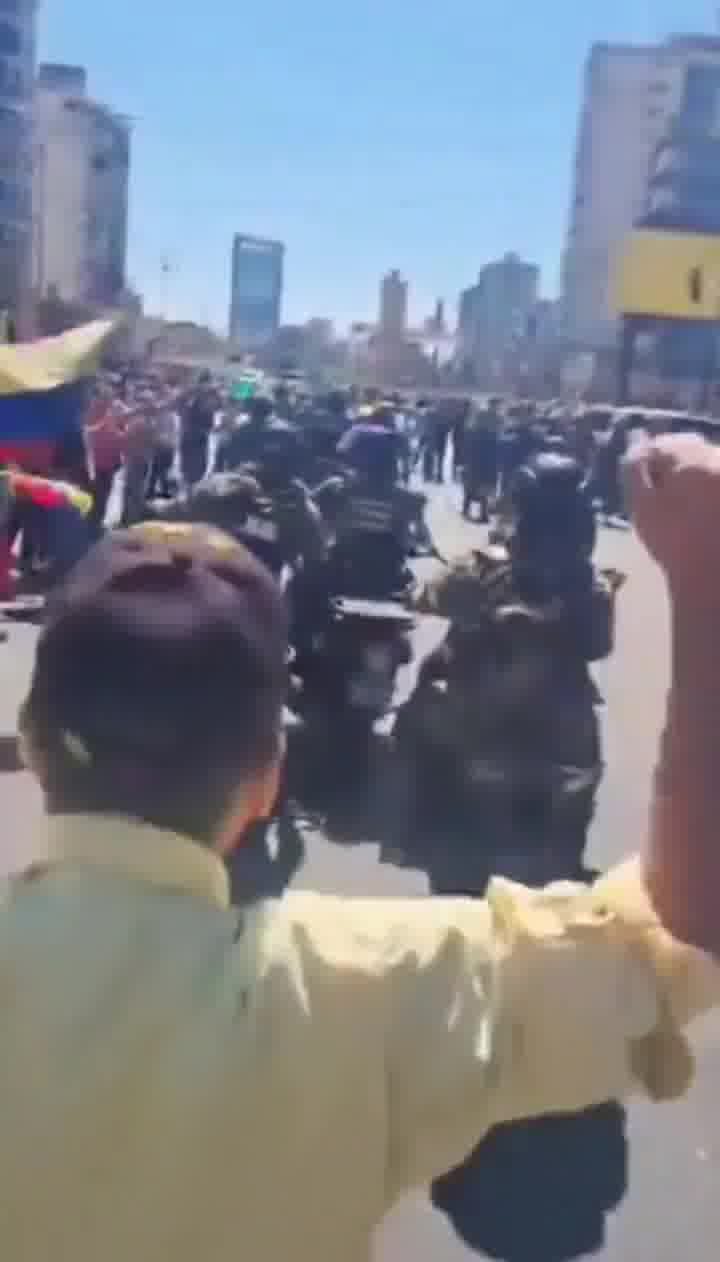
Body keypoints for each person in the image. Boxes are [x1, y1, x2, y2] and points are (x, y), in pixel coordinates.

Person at [6, 436, 720, 1261]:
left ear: (30, 739)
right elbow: (676, 939)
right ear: (267, 780)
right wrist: (706, 580)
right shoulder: (363, 984)